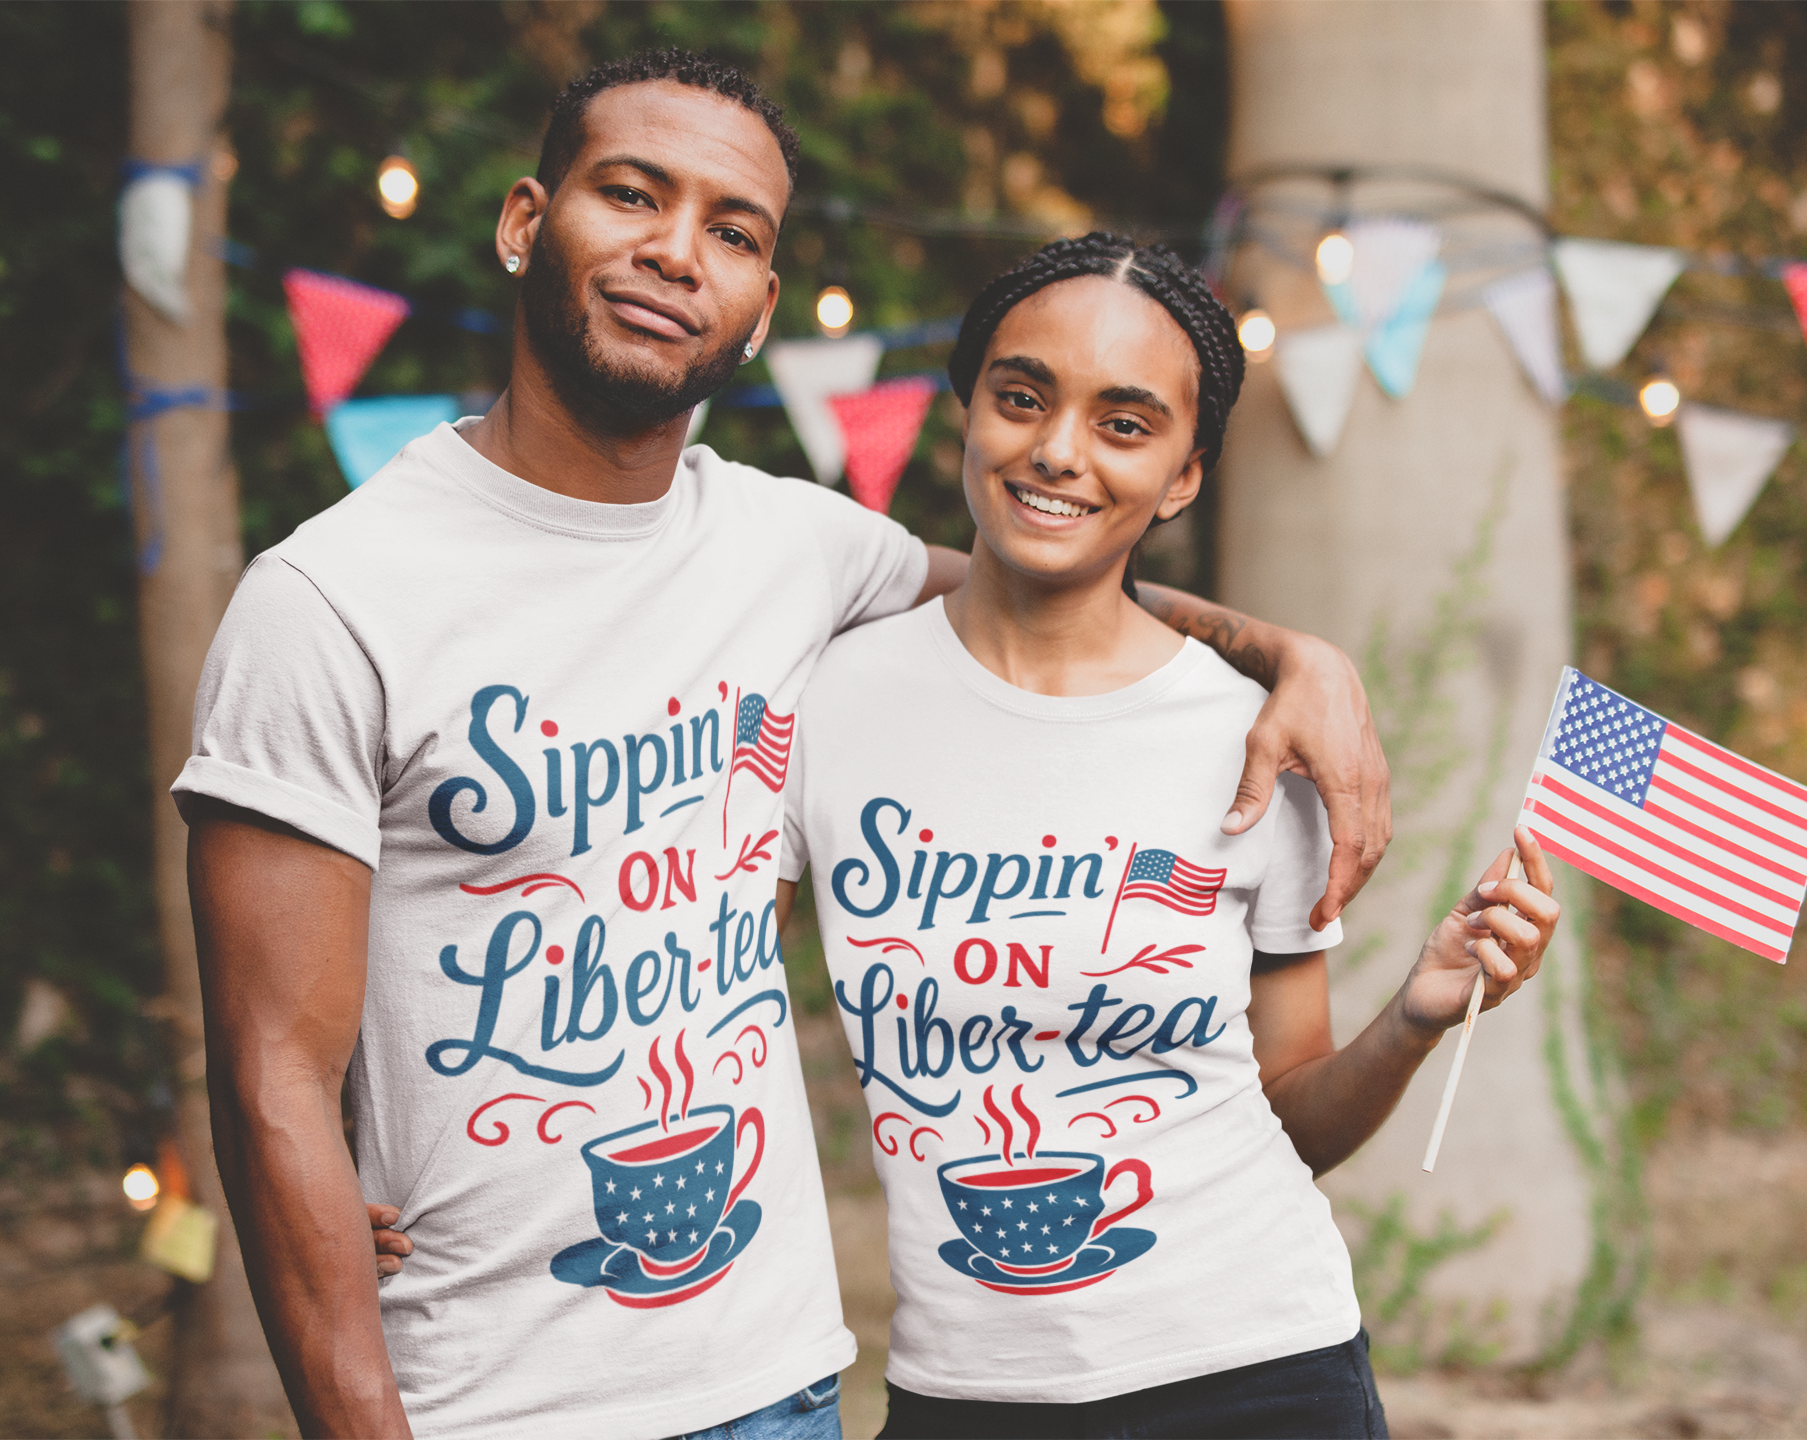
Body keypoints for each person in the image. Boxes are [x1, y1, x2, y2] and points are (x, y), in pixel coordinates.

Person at [179, 50, 1390, 1440]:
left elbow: (1057, 581)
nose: (675, 253)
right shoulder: (330, 602)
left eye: (734, 232)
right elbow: (271, 1076)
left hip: (782, 1384)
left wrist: (1295, 657)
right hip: (487, 1401)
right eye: (631, 193)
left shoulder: (796, 546)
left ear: (761, 305)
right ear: (526, 223)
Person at [760, 236, 1560, 1439]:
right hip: (965, 1391)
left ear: (1185, 475)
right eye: (1022, 398)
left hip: (1262, 1372)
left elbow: (1292, 1113)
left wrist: (1414, 1016)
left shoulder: (1254, 735)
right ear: (964, 411)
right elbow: (689, 988)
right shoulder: (829, 701)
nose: (1060, 451)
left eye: (1124, 424)